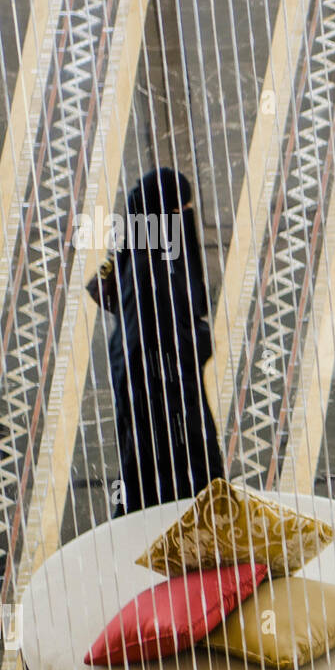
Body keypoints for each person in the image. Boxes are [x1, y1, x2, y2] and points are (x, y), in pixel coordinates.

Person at [90, 168, 225, 514]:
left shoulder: (133, 257)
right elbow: (166, 346)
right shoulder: (152, 275)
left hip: (151, 422)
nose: (185, 221)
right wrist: (200, 339)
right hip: (170, 426)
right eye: (180, 213)